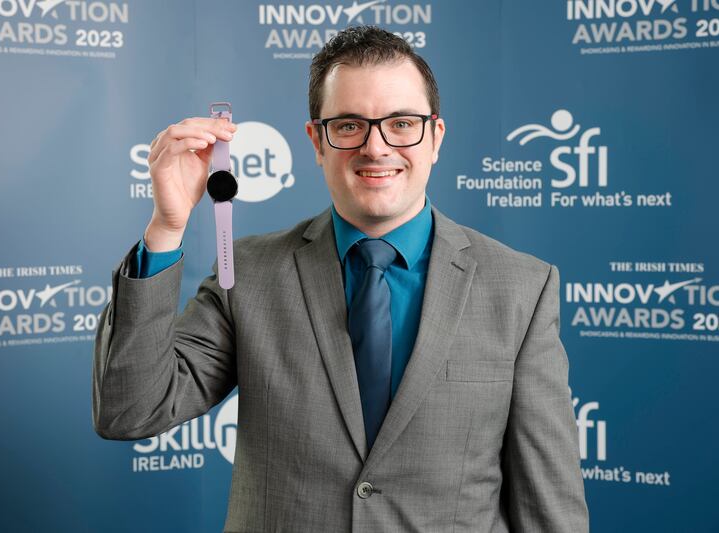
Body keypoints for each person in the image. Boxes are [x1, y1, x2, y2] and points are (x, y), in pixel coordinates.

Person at [93, 25, 589, 532]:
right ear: (317, 141)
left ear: (436, 137)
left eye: (401, 123)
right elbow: (132, 411)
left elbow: (550, 509)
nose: (375, 148)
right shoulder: (247, 274)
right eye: (349, 125)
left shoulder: (520, 288)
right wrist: (166, 228)